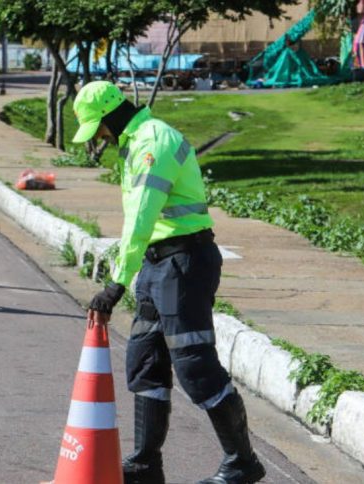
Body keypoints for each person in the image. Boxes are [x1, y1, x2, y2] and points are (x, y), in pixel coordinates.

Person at [74, 81, 265, 484]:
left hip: (184, 263)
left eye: (98, 127)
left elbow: (142, 217)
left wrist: (115, 285)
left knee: (195, 365)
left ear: (109, 116)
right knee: (145, 361)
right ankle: (145, 465)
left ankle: (242, 462)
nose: (99, 136)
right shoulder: (133, 143)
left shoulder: (153, 142)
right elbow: (140, 225)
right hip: (156, 263)